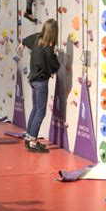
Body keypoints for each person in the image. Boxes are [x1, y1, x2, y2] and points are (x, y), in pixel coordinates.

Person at [20, 19, 60, 153]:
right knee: (40, 112)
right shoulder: (48, 49)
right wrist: (56, 55)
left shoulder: (37, 38)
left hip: (33, 80)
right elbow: (55, 66)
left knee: (35, 109)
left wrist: (22, 44)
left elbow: (26, 40)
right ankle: (32, 141)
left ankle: (29, 137)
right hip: (41, 82)